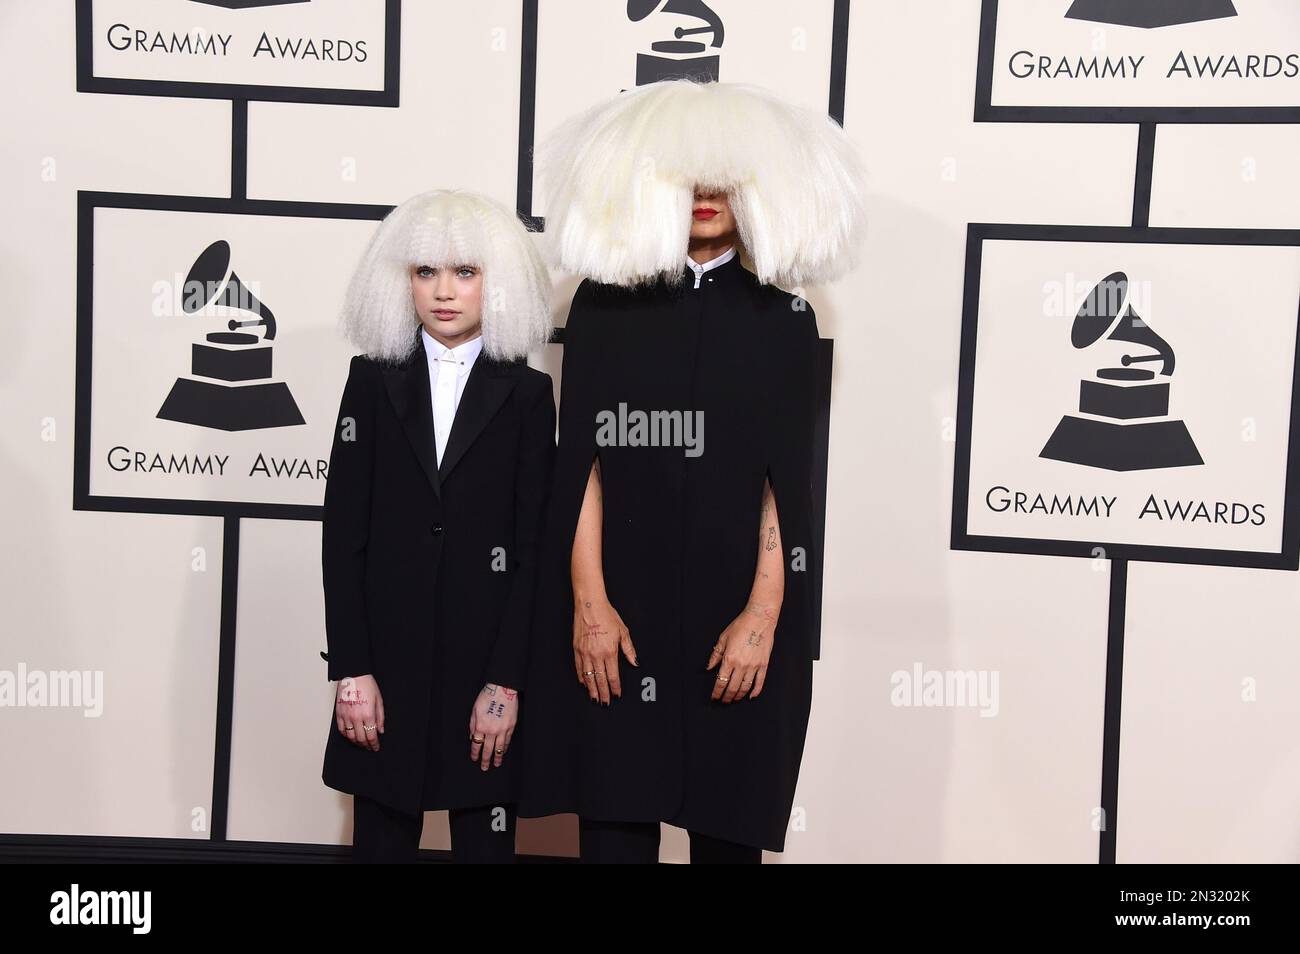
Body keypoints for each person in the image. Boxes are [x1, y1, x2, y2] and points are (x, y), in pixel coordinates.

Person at [519, 80, 868, 862]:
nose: (707, 195)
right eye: (688, 175)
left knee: (728, 833)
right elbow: (584, 469)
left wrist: (763, 617)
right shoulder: (604, 306)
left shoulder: (785, 317)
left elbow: (789, 485)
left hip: (733, 618)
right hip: (620, 615)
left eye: (725, 178)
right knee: (611, 825)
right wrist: (590, 605)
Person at [320, 189, 556, 863]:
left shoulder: (529, 396)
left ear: (498, 282)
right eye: (426, 272)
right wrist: (353, 670)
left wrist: (506, 683)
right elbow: (344, 534)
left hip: (484, 671)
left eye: (465, 272)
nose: (443, 291)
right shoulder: (369, 381)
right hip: (384, 668)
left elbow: (533, 553)